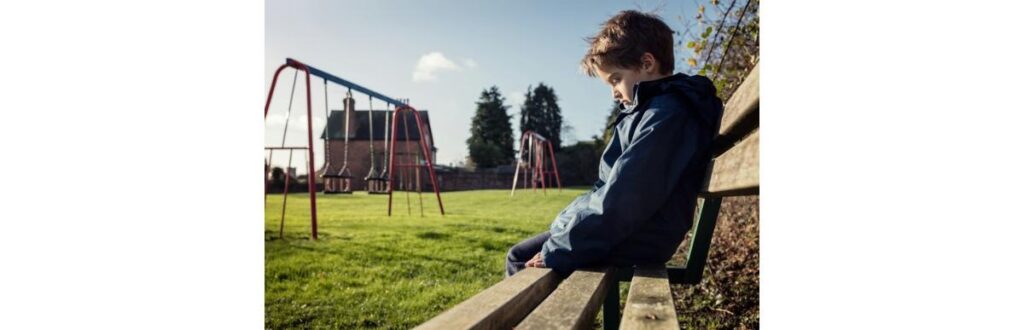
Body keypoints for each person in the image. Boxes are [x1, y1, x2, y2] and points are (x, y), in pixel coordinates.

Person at [506, 10, 724, 277]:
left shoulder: (667, 115)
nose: (614, 93)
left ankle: (540, 321)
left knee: (521, 259)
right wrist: (566, 224)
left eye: (616, 79)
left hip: (640, 235)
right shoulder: (648, 112)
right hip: (630, 230)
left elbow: (628, 196)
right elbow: (609, 188)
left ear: (647, 63)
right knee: (523, 253)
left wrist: (559, 249)